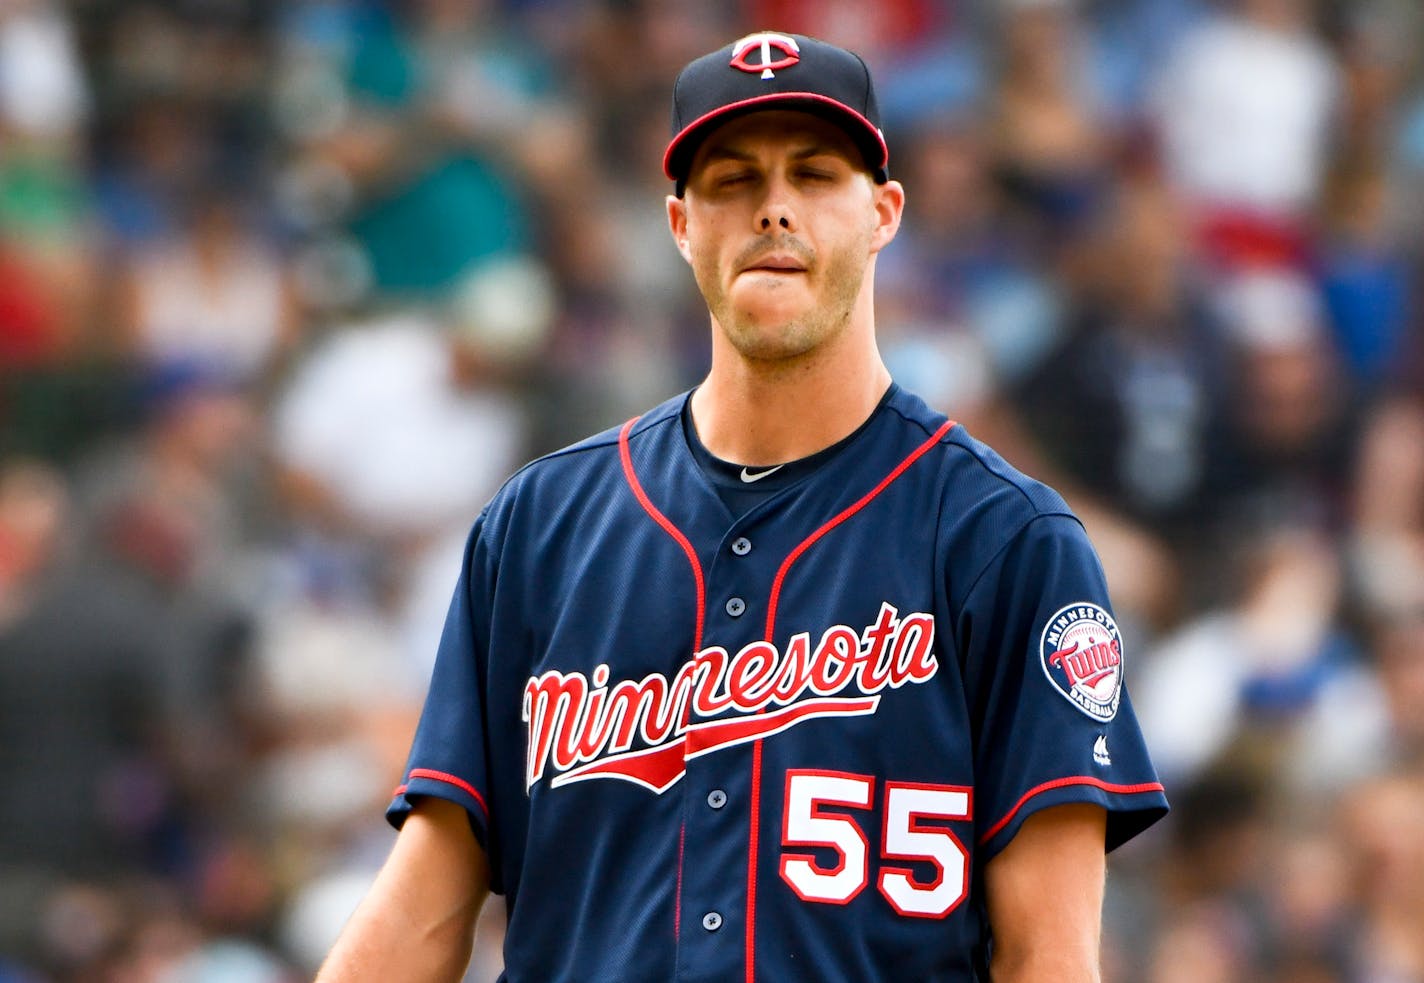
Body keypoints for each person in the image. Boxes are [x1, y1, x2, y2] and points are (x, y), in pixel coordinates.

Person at [316, 31, 1168, 982]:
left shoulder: (1004, 541)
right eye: (732, 180)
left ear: (883, 212)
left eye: (813, 175)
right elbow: (422, 908)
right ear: (680, 223)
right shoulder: (541, 526)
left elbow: (1049, 955)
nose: (773, 209)